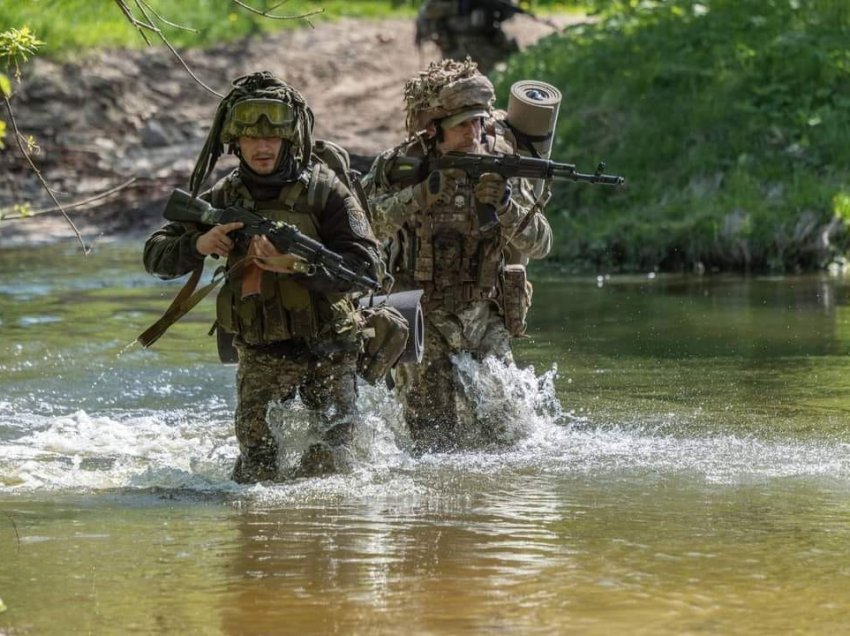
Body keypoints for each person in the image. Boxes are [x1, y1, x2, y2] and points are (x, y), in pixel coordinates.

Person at [143, 71, 383, 483]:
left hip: (328, 346)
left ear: (290, 139)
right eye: (252, 138)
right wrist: (200, 244)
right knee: (256, 476)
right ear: (235, 142)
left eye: (272, 138)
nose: (263, 146)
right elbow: (155, 256)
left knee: (333, 472)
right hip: (261, 351)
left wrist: (298, 266)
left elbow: (368, 269)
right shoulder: (223, 197)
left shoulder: (326, 192)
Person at [361, 58, 552, 453]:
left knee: (511, 436)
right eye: (463, 125)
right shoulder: (401, 167)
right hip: (420, 314)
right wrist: (417, 197)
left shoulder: (502, 163)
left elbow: (543, 244)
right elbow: (361, 231)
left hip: (484, 313)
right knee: (433, 439)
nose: (475, 132)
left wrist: (506, 205)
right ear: (434, 130)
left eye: (480, 121)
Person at [415, 0, 522, 73]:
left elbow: (509, 10)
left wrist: (493, 9)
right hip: (456, 47)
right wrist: (460, 6)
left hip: (487, 45)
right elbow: (429, 9)